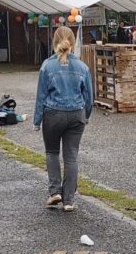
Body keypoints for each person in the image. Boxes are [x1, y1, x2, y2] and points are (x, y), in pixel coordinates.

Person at [33, 26, 93, 212]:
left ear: (54, 42)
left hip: (53, 114)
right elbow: (89, 97)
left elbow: (41, 96)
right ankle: (69, 200)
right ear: (73, 43)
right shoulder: (83, 67)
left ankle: (54, 192)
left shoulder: (47, 66)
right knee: (71, 156)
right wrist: (86, 116)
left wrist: (37, 120)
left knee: (52, 152)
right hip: (76, 114)